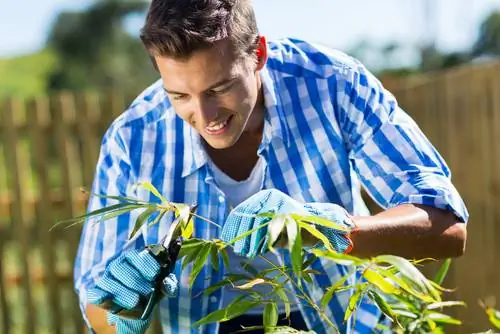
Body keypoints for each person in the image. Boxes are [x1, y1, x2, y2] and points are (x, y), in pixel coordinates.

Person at [73, 0, 469, 333]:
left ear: (258, 54)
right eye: (179, 95)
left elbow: (448, 227)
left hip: (339, 319)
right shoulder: (133, 137)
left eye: (219, 88)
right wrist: (125, 308)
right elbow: (95, 308)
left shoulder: (333, 83)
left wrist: (316, 228)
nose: (205, 115)